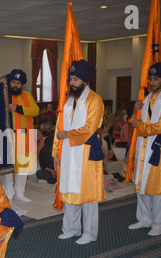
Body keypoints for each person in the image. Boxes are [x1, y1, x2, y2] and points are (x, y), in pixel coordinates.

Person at [53, 59, 106, 245]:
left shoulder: (95, 100)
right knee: (69, 190)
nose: (71, 82)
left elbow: (91, 128)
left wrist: (67, 134)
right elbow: (58, 128)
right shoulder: (68, 100)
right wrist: (55, 153)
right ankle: (71, 229)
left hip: (86, 154)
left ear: (84, 81)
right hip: (67, 153)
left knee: (87, 195)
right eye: (70, 79)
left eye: (75, 79)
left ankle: (89, 233)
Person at [128, 62, 161, 236]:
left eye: (156, 79)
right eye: (151, 78)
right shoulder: (147, 98)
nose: (152, 82)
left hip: (159, 149)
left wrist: (138, 125)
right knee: (141, 185)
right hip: (143, 148)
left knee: (159, 188)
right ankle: (144, 219)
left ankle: (159, 223)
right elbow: (135, 121)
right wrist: (135, 111)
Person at [0, 69, 39, 203]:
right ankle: (8, 192)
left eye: (18, 83)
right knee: (9, 167)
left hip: (24, 136)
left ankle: (19, 193)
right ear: (9, 82)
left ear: (22, 84)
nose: (15, 85)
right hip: (8, 137)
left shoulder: (27, 96)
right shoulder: (3, 95)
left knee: (23, 166)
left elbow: (35, 111)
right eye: (13, 82)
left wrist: (19, 108)